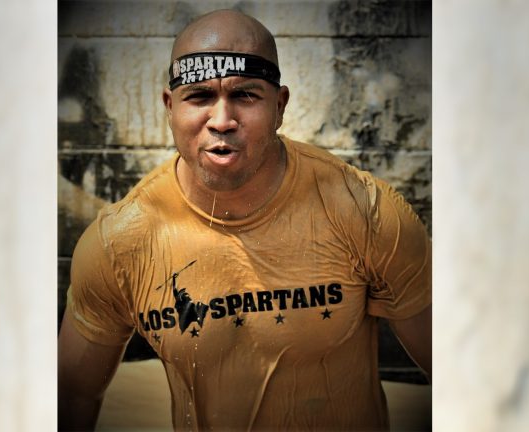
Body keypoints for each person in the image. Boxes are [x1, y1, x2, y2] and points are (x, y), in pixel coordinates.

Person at [58, 9, 431, 431]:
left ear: (280, 106)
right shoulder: (121, 242)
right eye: (199, 96)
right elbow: (72, 395)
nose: (221, 121)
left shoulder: (364, 210)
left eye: (246, 95)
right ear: (170, 106)